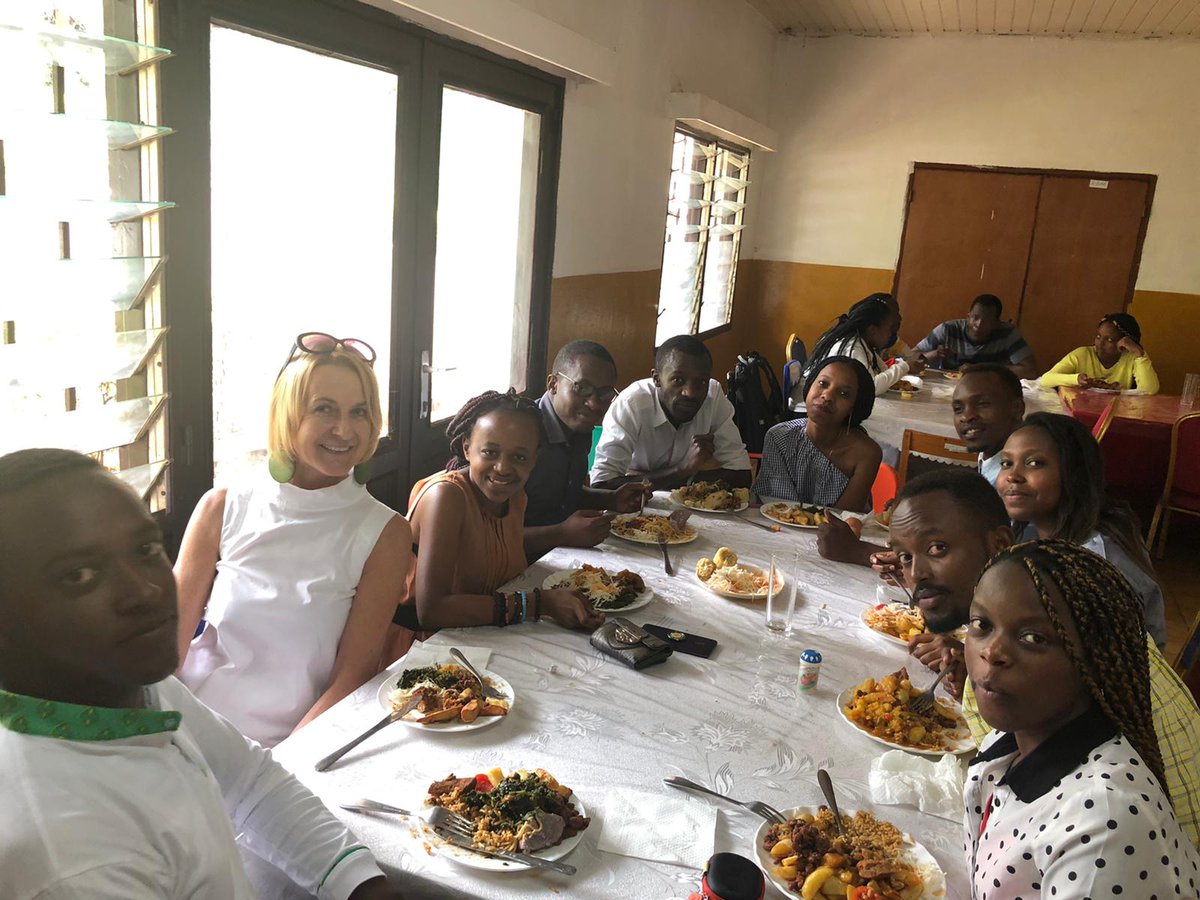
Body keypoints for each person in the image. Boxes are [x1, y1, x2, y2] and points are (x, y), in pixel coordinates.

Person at [0, 448, 404, 900]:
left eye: (146, 548)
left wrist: (361, 883)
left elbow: (251, 782)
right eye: (79, 575)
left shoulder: (130, 692)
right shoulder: (71, 863)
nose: (145, 590)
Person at [877, 468, 1200, 848]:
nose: (917, 575)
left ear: (998, 545)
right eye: (904, 557)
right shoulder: (1064, 599)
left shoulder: (1021, 671)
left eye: (937, 549)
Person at [175, 333, 412, 747]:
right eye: (324, 409)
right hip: (188, 728)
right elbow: (166, 644)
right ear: (287, 414)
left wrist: (279, 769)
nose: (344, 429)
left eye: (359, 412)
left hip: (291, 749)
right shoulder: (222, 506)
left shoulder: (384, 533)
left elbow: (351, 676)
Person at [964, 540, 1200, 897]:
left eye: (1033, 638)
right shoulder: (1005, 743)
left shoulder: (1103, 823)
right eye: (982, 624)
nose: (991, 652)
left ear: (1091, 661)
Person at [388, 389, 603, 651]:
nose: (503, 468)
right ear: (467, 448)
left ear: (535, 459)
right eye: (490, 452)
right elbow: (432, 610)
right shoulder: (446, 497)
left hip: (483, 635)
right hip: (424, 647)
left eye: (519, 457)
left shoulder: (515, 497)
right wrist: (540, 604)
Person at [997, 411, 1167, 648]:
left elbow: (1101, 667)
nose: (1012, 476)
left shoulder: (1096, 566)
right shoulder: (1032, 531)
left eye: (1034, 463)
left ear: (1073, 473)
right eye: (1006, 463)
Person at [522, 340, 651, 557]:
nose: (594, 404)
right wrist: (561, 533)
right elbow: (487, 537)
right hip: (511, 569)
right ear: (553, 384)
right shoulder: (521, 436)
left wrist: (611, 499)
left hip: (560, 554)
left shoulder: (578, 428)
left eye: (604, 393)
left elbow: (561, 492)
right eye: (582, 388)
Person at [591, 335, 752, 490]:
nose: (690, 392)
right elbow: (602, 485)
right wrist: (683, 470)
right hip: (633, 510)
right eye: (678, 380)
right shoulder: (632, 404)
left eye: (701, 381)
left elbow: (742, 476)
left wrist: (643, 479)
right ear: (657, 379)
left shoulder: (713, 395)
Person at [753, 356, 881, 512]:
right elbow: (779, 508)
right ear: (809, 385)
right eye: (822, 384)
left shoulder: (866, 453)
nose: (827, 396)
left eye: (843, 393)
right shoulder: (779, 437)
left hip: (837, 534)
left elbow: (844, 518)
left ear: (854, 407)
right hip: (781, 530)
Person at [798, 294, 924, 399]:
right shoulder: (853, 347)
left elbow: (883, 371)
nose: (891, 334)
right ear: (873, 330)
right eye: (889, 329)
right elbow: (871, 387)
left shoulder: (864, 344)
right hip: (809, 408)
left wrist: (900, 368)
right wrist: (905, 366)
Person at [913, 294, 1038, 377]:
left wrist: (981, 369)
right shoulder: (948, 329)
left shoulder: (1007, 334)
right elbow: (910, 357)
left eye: (987, 321)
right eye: (975, 318)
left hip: (990, 387)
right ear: (968, 316)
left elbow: (1030, 370)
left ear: (997, 323)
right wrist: (933, 354)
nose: (979, 324)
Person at [1040, 311, 1160, 394]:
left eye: (1109, 339)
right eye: (1098, 336)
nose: (1100, 343)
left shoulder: (1134, 357)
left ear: (1124, 343)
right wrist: (1076, 379)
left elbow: (1149, 391)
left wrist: (1139, 352)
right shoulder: (1082, 354)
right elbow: (1046, 379)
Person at [949, 362, 1026, 485]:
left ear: (1017, 408)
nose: (966, 417)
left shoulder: (1017, 482)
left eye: (982, 404)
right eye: (958, 409)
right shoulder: (989, 451)